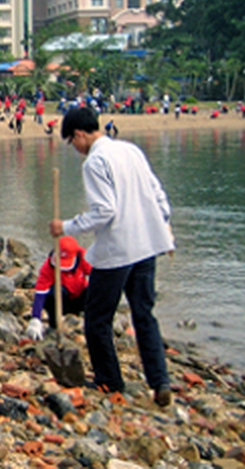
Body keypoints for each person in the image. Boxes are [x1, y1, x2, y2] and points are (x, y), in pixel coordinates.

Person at [49, 107, 174, 406]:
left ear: (80, 134)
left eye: (73, 142)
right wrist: (163, 229)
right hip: (146, 245)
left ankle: (109, 380)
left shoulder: (95, 162)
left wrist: (65, 227)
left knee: (97, 318)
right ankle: (160, 382)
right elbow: (159, 196)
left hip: (118, 250)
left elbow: (105, 211)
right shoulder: (130, 150)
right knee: (144, 315)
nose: (75, 149)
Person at [25, 236, 92, 341]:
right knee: (53, 294)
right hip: (60, 302)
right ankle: (54, 326)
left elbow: (97, 276)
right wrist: (36, 318)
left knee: (94, 290)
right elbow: (40, 294)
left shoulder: (83, 256)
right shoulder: (47, 267)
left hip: (80, 297)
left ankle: (91, 323)